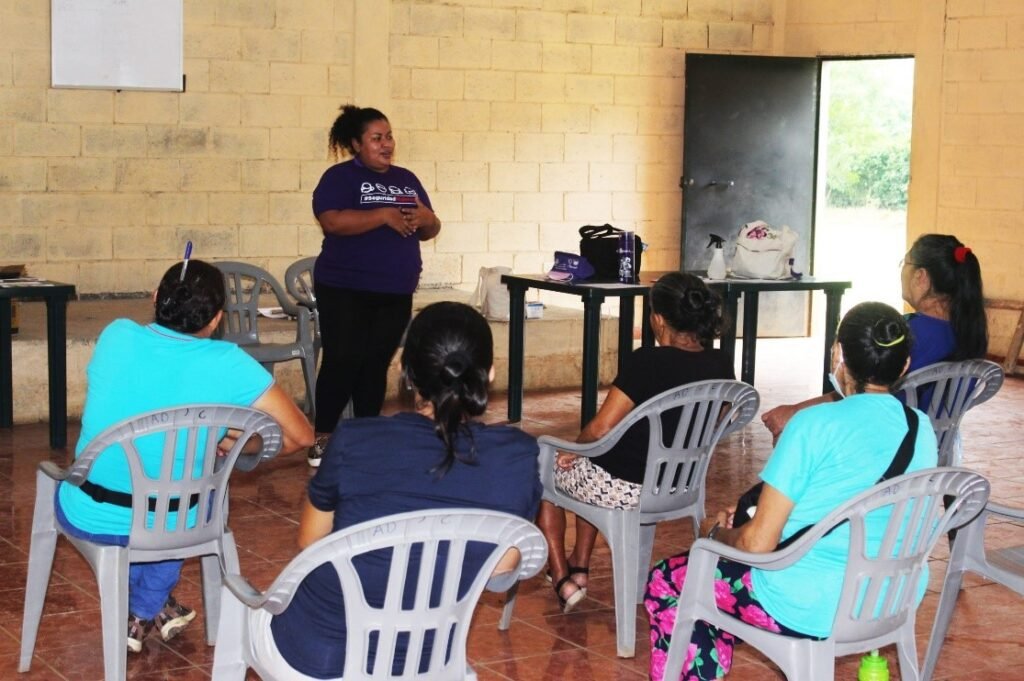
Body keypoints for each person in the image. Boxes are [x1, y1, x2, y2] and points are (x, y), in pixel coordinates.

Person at [644, 302, 938, 681]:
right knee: (711, 575)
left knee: (670, 579)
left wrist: (715, 534)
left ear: (838, 355)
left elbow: (757, 545)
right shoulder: (921, 427)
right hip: (893, 596)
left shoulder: (813, 423)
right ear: (904, 366)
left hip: (804, 602)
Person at [264, 302, 541, 679]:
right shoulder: (519, 457)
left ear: (406, 374)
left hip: (322, 654)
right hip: (429, 658)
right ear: (489, 373)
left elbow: (309, 540)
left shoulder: (354, 440)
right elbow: (502, 570)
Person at [55, 259, 314, 654]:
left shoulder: (116, 335)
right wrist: (234, 442)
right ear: (216, 320)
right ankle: (146, 608)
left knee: (128, 486)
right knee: (190, 496)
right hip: (180, 521)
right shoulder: (230, 363)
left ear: (156, 298)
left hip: (93, 510)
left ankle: (148, 608)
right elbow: (299, 435)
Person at [536, 272, 735, 614]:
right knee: (594, 460)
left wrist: (573, 447)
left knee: (543, 462)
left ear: (657, 320)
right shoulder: (720, 363)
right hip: (679, 486)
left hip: (626, 488)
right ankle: (580, 565)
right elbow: (725, 411)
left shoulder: (646, 362)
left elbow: (599, 428)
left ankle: (561, 576)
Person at [308, 104, 441, 467]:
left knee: (374, 363)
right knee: (343, 359)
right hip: (344, 286)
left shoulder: (406, 179)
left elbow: (429, 228)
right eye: (376, 138)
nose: (386, 144)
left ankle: (366, 435)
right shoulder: (339, 179)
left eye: (389, 136)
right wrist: (382, 214)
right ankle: (323, 437)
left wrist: (429, 219)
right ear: (356, 143)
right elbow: (333, 222)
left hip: (394, 289)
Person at [761, 233, 986, 439]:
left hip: (882, 440)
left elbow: (857, 392)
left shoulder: (904, 335)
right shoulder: (968, 333)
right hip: (930, 446)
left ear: (921, 276)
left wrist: (794, 412)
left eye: (904, 263)